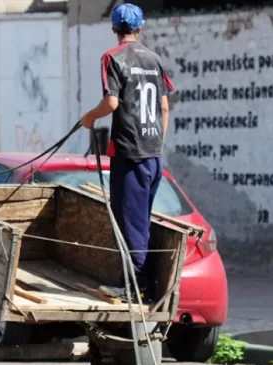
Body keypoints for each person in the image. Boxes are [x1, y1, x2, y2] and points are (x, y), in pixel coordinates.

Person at [80, 3, 175, 302]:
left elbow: (111, 103)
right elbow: (163, 107)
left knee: (130, 223)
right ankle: (137, 282)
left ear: (113, 28)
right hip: (152, 155)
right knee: (141, 220)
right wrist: (157, 146)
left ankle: (134, 288)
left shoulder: (112, 57)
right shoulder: (154, 59)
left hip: (129, 154)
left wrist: (89, 118)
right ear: (140, 28)